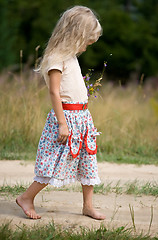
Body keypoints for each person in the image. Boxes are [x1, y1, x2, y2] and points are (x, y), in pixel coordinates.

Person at [16, 5, 106, 220]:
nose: (86, 47)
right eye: (86, 41)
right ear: (76, 35)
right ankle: (26, 197)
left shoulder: (70, 56)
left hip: (82, 119)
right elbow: (55, 93)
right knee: (54, 162)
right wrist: (63, 124)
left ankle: (88, 206)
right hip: (65, 119)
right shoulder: (56, 58)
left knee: (87, 161)